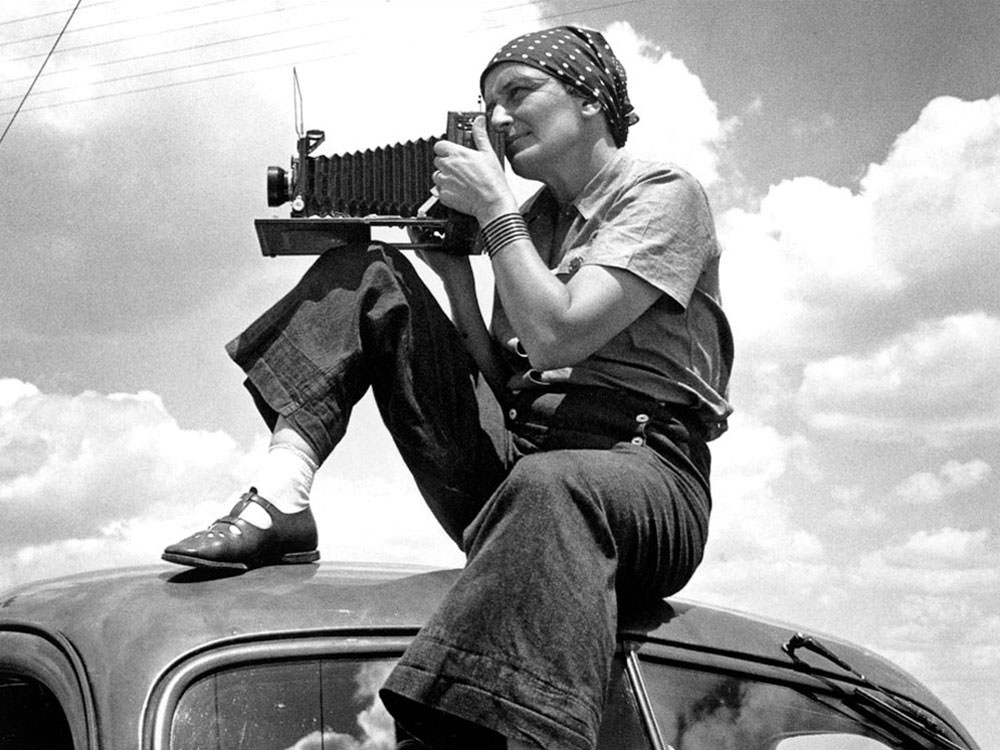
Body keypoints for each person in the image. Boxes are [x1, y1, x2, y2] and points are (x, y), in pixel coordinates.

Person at [163, 25, 732, 750]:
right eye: (489, 103)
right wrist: (456, 277)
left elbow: (560, 335)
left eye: (519, 93)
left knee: (554, 487)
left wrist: (493, 214)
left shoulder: (661, 193)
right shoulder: (533, 222)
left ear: (590, 99)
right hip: (527, 463)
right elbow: (512, 374)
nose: (499, 118)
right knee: (371, 274)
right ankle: (282, 495)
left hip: (644, 473)